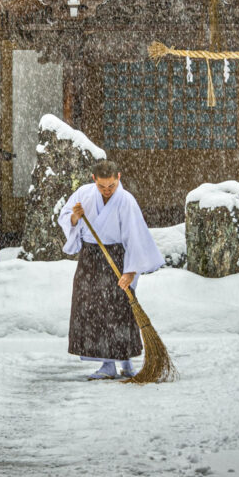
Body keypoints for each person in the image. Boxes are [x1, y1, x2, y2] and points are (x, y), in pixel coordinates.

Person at [57, 160, 165, 380]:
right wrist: (75, 217)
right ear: (94, 179)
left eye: (111, 186)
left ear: (119, 177)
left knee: (120, 309)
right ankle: (107, 364)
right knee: (93, 309)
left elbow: (134, 236)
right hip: (90, 258)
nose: (107, 191)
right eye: (102, 186)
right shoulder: (84, 194)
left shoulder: (126, 201)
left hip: (116, 257)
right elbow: (65, 217)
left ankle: (125, 361)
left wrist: (131, 271)